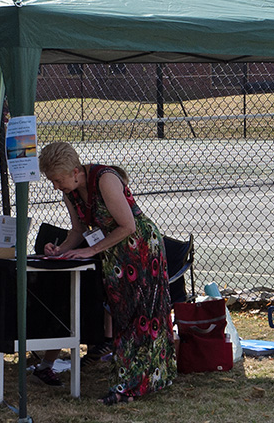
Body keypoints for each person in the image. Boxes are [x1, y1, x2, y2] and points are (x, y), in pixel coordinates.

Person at [37, 141, 173, 404]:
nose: (56, 186)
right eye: (52, 181)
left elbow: (128, 225)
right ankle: (135, 380)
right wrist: (60, 250)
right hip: (115, 255)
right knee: (123, 315)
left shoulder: (105, 179)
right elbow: (77, 231)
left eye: (58, 180)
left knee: (141, 316)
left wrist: (90, 250)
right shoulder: (71, 191)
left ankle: (137, 383)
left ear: (75, 171)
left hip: (141, 249)